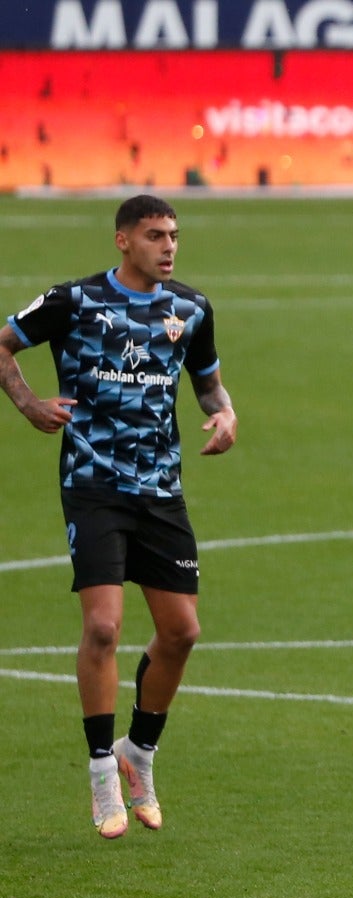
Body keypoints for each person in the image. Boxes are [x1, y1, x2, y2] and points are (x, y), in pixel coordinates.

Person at [0, 194, 237, 839]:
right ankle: (103, 770)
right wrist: (28, 405)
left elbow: (208, 381)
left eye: (175, 236)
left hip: (161, 491)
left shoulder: (190, 308)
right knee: (103, 627)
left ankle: (140, 752)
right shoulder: (72, 302)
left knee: (183, 632)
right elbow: (3, 346)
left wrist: (225, 413)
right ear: (122, 240)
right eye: (156, 235)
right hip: (93, 486)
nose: (169, 247)